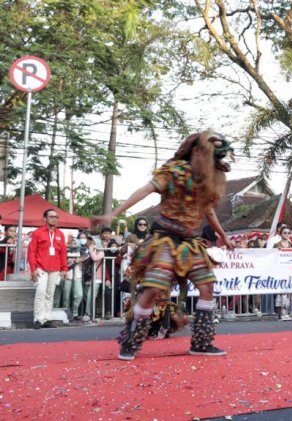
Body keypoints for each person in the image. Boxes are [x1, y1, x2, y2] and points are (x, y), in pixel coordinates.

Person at [91, 130, 235, 361]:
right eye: (210, 157)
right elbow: (146, 189)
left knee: (207, 286)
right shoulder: (174, 171)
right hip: (165, 240)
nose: (213, 163)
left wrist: (224, 236)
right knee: (152, 291)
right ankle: (131, 341)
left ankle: (201, 343)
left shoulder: (203, 182)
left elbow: (208, 210)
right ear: (197, 152)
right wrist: (113, 214)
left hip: (189, 244)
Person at [27, 209, 68, 329]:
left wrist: (64, 269)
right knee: (40, 293)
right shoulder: (37, 233)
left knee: (50, 294)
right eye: (51, 217)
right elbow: (31, 252)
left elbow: (63, 253)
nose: (54, 219)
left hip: (55, 269)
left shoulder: (60, 234)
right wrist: (33, 269)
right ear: (45, 219)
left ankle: (45, 318)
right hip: (41, 268)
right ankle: (38, 319)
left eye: (56, 217)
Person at [273, 226, 292, 321]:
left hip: (289, 272)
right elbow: (272, 257)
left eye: (288, 233)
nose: (287, 234)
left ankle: (286, 312)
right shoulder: (276, 245)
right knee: (280, 293)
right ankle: (279, 313)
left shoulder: (291, 245)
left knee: (288, 293)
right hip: (279, 272)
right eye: (285, 233)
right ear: (280, 234)